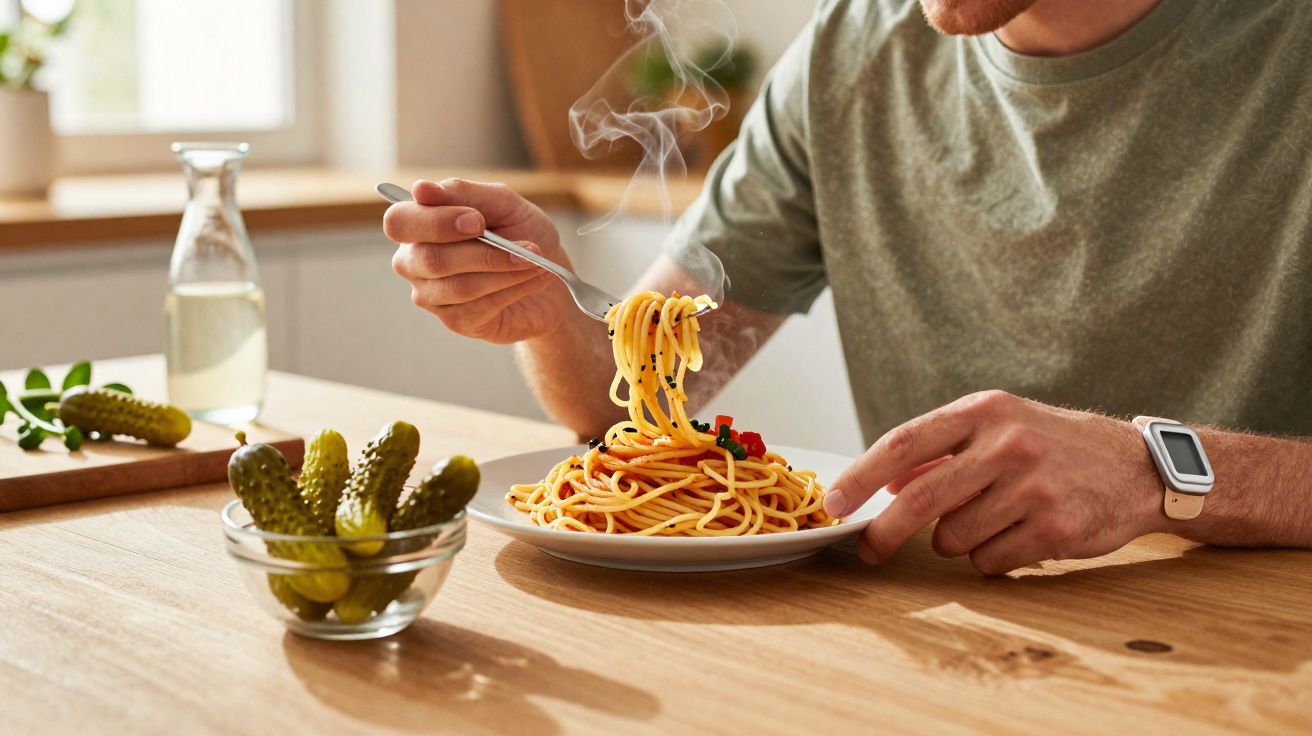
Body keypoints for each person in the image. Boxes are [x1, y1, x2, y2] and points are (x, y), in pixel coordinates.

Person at [383, 0, 1312, 574]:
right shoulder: (848, 53)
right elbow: (621, 402)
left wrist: (1161, 475)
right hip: (939, 640)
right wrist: (545, 312)